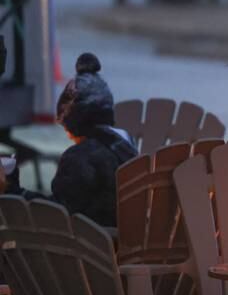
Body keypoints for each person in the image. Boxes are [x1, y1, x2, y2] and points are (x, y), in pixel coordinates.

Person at [5, 53, 138, 227]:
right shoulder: (127, 147)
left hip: (88, 246)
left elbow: (55, 214)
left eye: (66, 127)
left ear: (76, 122)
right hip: (120, 238)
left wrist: (13, 190)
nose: (67, 135)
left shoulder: (80, 157)